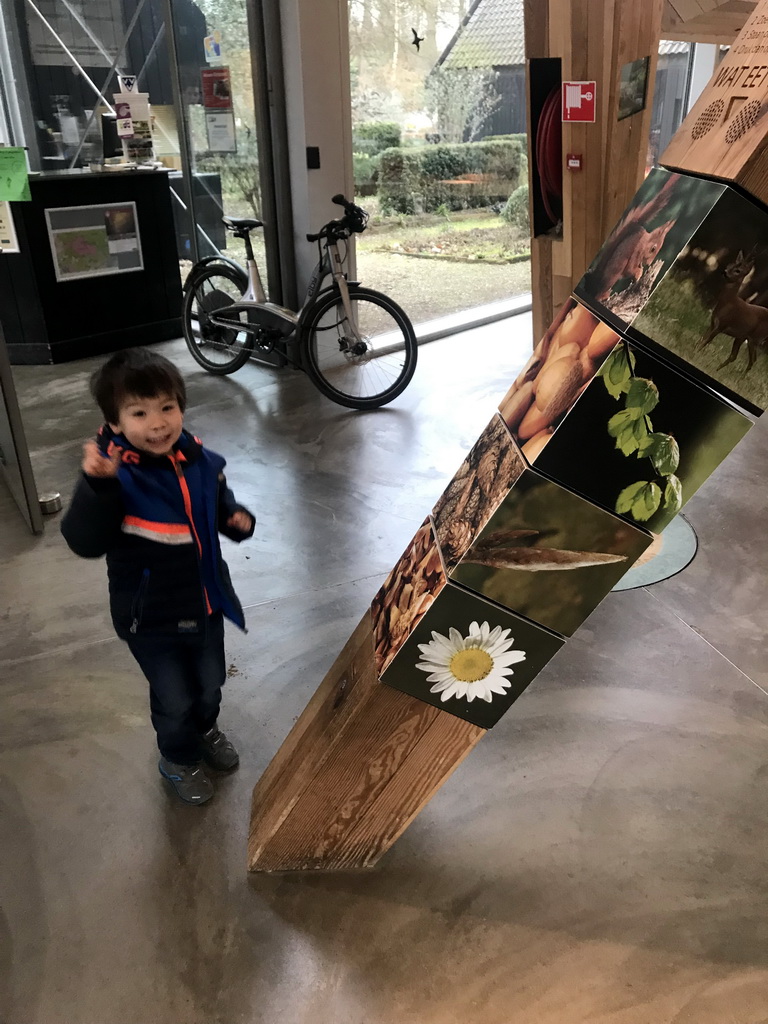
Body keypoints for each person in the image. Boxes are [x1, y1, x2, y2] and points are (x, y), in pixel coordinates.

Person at [61, 348, 255, 805]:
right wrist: (99, 488)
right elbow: (84, 540)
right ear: (114, 422)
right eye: (139, 412)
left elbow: (218, 501)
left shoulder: (199, 459)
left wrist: (234, 518)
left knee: (209, 683)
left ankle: (205, 731)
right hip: (150, 617)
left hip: (204, 602)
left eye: (167, 407)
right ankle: (177, 757)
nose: (158, 423)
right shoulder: (114, 476)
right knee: (174, 698)